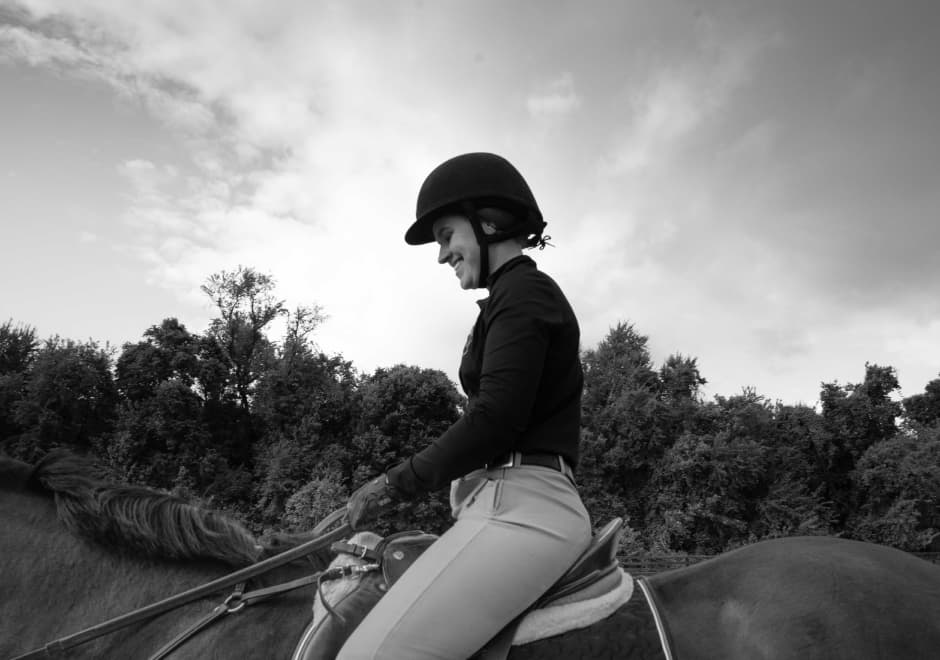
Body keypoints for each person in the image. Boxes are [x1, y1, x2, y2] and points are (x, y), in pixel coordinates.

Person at [338, 152, 592, 660]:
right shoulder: (507, 299)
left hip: (525, 511)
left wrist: (395, 482)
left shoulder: (524, 294)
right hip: (493, 506)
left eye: (447, 236)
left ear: (489, 222)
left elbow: (494, 419)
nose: (441, 255)